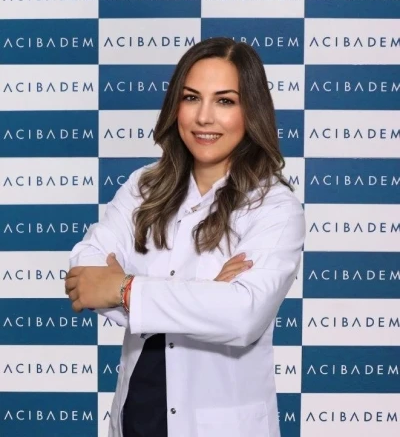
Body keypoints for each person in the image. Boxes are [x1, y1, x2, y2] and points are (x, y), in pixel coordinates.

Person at [65, 37, 305, 437]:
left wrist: (124, 289)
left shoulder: (274, 207)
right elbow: (86, 277)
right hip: (137, 418)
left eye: (225, 101)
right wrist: (206, 294)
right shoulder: (143, 186)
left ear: (251, 110)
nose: (204, 117)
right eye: (192, 98)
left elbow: (242, 316)